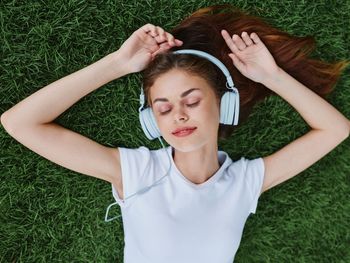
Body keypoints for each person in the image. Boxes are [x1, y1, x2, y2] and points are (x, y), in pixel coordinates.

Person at [1, 3, 349, 263]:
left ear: (224, 104)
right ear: (152, 122)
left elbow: (335, 130)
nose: (178, 115)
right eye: (163, 108)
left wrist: (271, 77)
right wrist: (118, 64)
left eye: (192, 100)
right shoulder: (137, 172)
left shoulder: (245, 182)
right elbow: (19, 123)